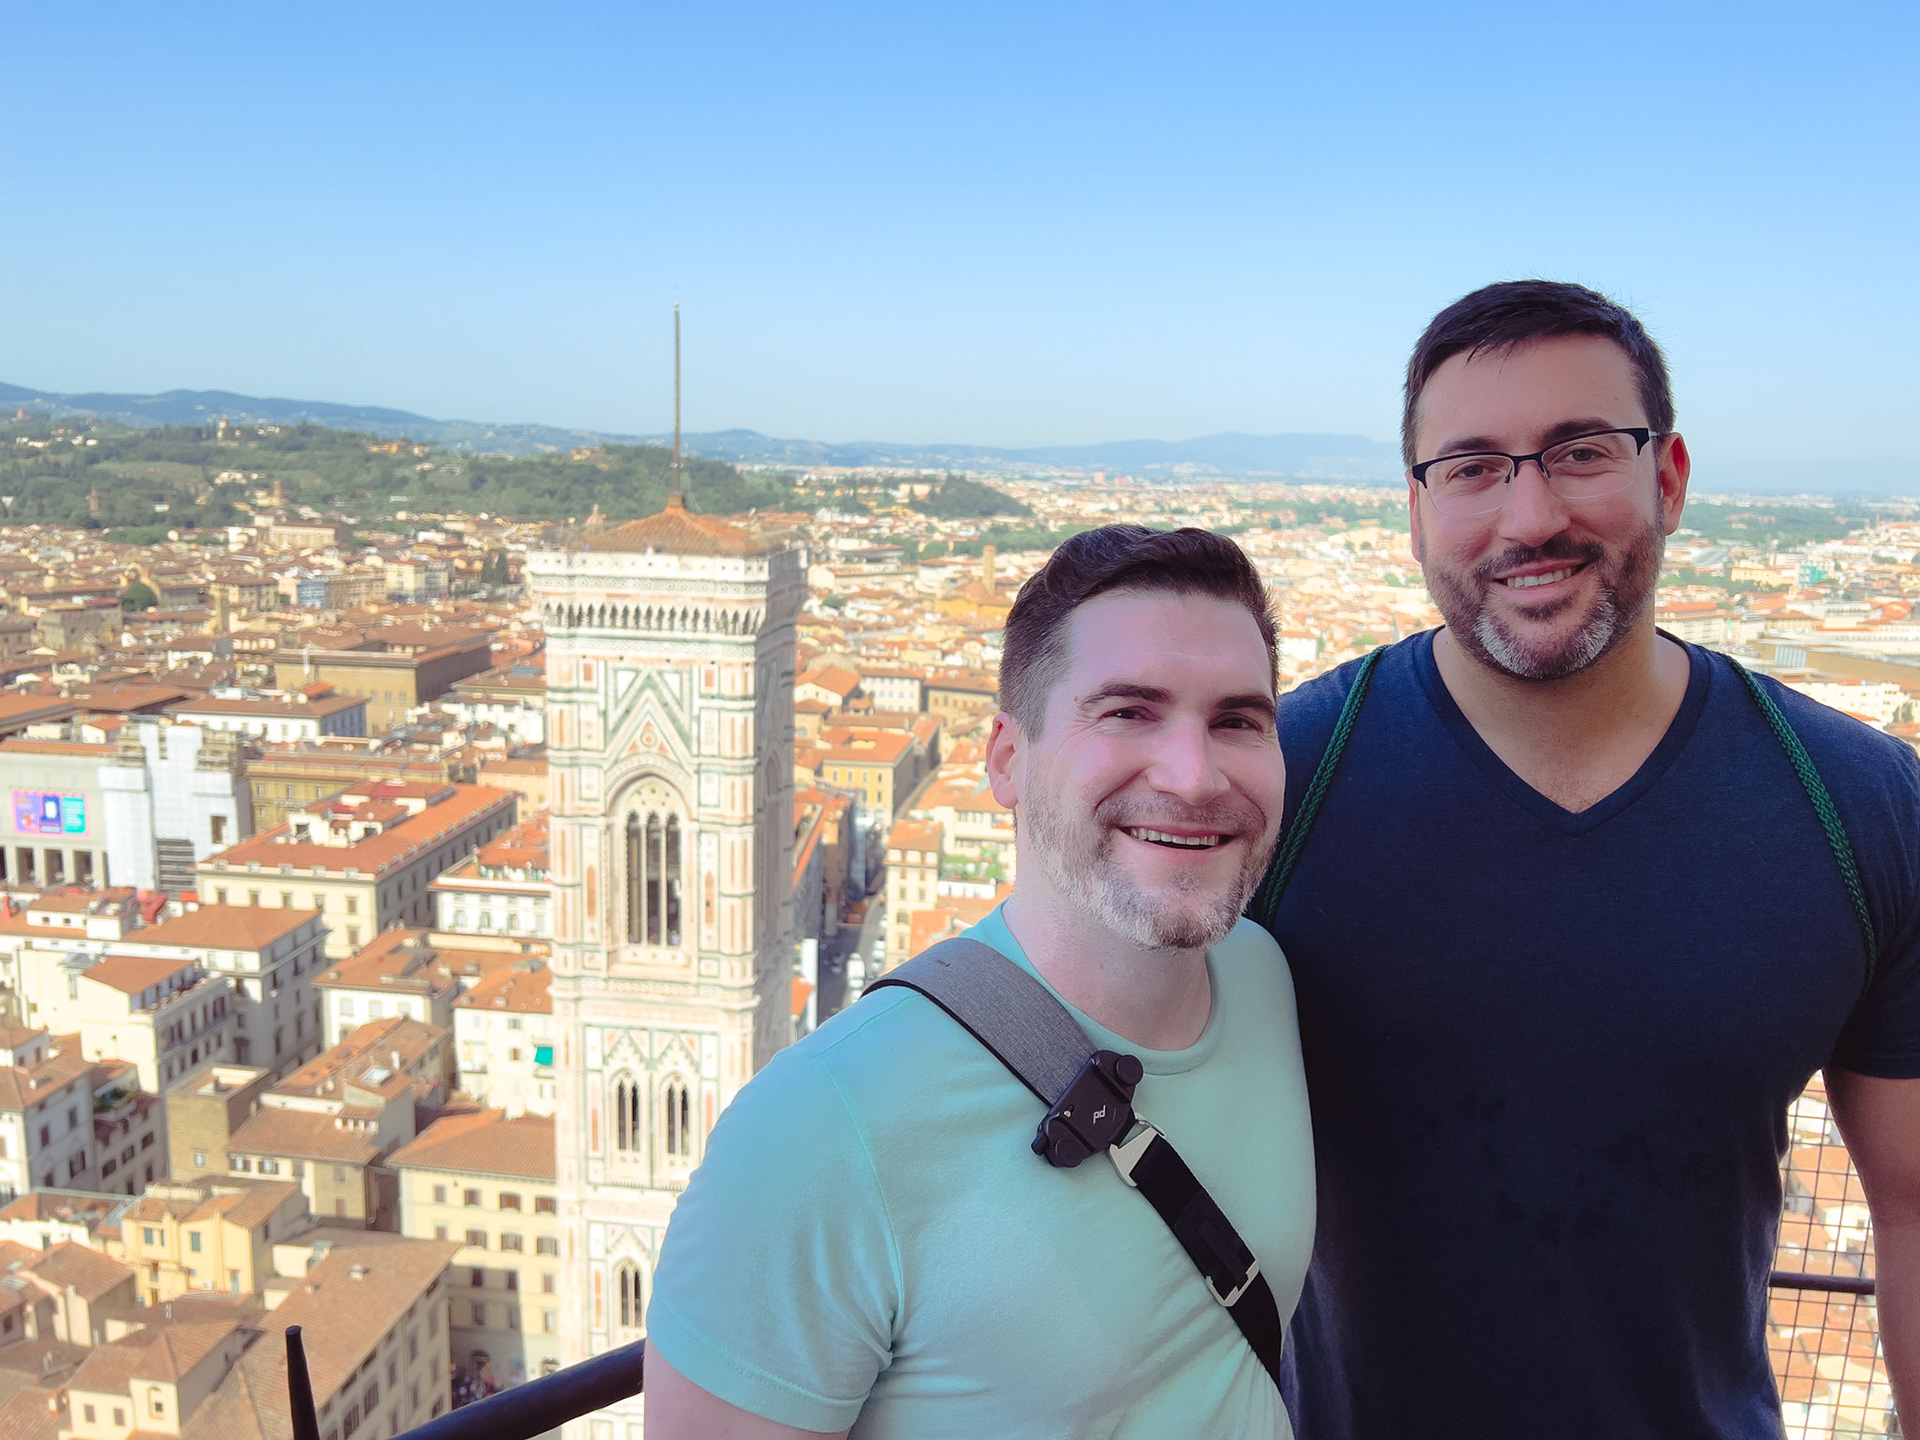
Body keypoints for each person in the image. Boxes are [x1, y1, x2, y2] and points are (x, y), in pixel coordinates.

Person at [1257, 279, 1920, 1438]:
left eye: (1579, 451)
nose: (1527, 517)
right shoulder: (1276, 786)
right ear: (1414, 513)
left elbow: (1913, 1210)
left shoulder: (1862, 808)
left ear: (1667, 478)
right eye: (1469, 467)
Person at [642, 525, 1311, 1439]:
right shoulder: (815, 1134)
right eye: (1127, 712)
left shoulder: (1265, 980)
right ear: (1005, 759)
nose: (1194, 776)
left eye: (1237, 720)